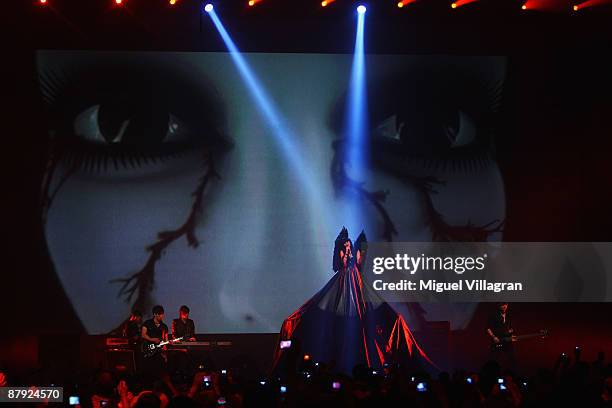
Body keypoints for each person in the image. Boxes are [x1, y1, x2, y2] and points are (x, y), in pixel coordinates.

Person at [273, 227, 434, 375]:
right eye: (346, 247)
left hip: (355, 284)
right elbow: (341, 264)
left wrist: (357, 248)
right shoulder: (343, 259)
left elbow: (358, 261)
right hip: (344, 284)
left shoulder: (356, 265)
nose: (349, 249)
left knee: (384, 318)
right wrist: (345, 247)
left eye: (350, 246)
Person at [141, 305, 169, 378]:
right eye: (160, 315)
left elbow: (165, 340)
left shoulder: (164, 326)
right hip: (148, 350)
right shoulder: (147, 323)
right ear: (155, 314)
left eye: (162, 314)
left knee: (160, 371)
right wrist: (152, 339)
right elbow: (143, 335)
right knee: (148, 372)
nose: (162, 316)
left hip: (158, 352)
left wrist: (165, 352)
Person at [486, 302, 516, 370]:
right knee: (494, 359)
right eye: (502, 304)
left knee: (511, 359)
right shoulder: (493, 315)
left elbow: (511, 328)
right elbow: (488, 328)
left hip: (507, 340)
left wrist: (512, 335)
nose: (504, 306)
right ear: (499, 305)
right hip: (497, 340)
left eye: (506, 304)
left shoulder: (509, 315)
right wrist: (494, 337)